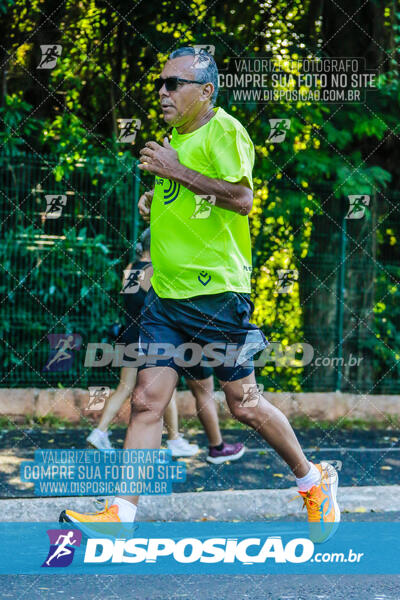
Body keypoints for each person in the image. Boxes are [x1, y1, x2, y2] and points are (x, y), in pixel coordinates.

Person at [61, 47, 340, 544]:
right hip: (166, 298)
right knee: (147, 401)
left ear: (205, 91)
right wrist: (157, 202)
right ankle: (121, 514)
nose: (163, 92)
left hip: (217, 295)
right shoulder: (175, 138)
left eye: (174, 84)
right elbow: (190, 199)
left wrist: (174, 173)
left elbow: (241, 198)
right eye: (161, 84)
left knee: (244, 405)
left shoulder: (224, 131)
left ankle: (313, 480)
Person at [87, 228, 244, 462]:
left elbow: (130, 300)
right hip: (147, 336)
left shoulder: (131, 268)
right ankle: (172, 440)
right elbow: (164, 306)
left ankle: (102, 433)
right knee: (161, 388)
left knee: (128, 388)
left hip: (129, 334)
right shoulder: (153, 271)